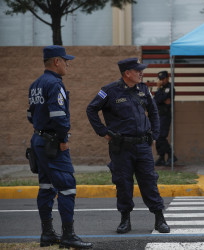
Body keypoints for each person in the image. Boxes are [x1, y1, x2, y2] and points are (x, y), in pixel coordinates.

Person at [86, 58, 170, 234]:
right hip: (121, 147)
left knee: (149, 181)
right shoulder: (108, 91)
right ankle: (125, 220)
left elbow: (154, 112)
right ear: (127, 73)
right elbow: (91, 109)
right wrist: (103, 131)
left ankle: (159, 219)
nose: (141, 73)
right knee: (123, 184)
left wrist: (154, 134)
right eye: (137, 70)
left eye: (141, 70)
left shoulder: (143, 89)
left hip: (142, 146)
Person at [27, 45, 92, 249]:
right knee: (67, 187)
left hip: (38, 140)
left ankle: (47, 234)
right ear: (57, 62)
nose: (67, 65)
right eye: (65, 61)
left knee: (46, 187)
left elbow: (30, 115)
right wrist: (63, 138)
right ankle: (68, 236)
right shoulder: (55, 84)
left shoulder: (36, 84)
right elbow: (59, 116)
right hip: (54, 144)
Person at [154, 71, 177, 166]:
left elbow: (159, 99)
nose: (162, 81)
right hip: (159, 115)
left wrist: (160, 98)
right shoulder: (161, 88)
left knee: (161, 136)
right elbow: (156, 100)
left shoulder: (170, 88)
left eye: (163, 79)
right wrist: (161, 98)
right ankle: (162, 157)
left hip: (165, 115)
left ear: (167, 78)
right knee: (157, 136)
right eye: (160, 79)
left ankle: (172, 155)